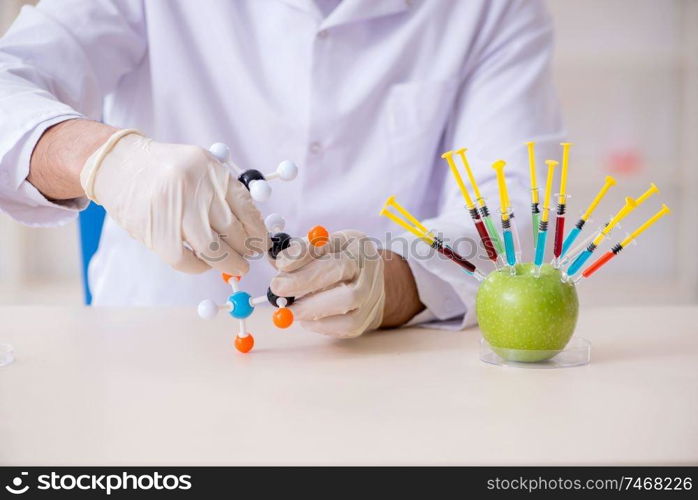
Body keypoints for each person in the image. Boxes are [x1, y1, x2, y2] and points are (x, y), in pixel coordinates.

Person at [0, 0, 563, 338]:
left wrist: (394, 283)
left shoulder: (492, 10)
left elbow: (519, 216)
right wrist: (106, 160)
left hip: (387, 368)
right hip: (153, 355)